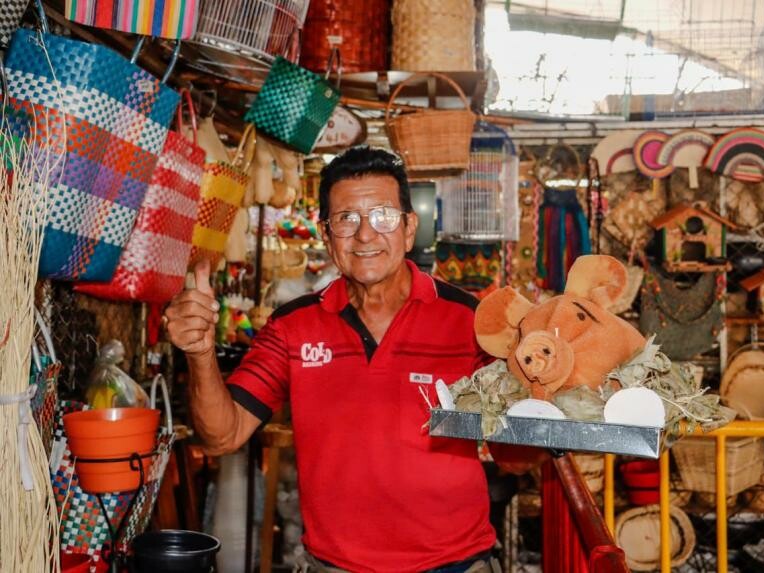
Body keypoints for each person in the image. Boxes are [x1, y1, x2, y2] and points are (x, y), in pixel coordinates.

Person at [165, 146, 509, 573]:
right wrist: (199, 353)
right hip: (336, 566)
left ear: (408, 228)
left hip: (456, 564)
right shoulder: (294, 325)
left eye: (382, 215)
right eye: (347, 219)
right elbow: (224, 435)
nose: (365, 235)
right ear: (327, 236)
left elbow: (513, 450)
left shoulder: (469, 320)